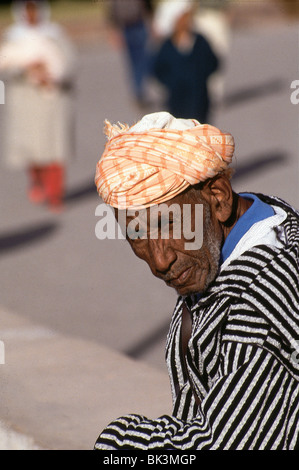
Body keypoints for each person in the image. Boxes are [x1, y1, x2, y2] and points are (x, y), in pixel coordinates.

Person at [93, 111, 299, 450]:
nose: (160, 259)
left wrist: (116, 441)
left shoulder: (260, 309)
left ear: (217, 198)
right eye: (136, 235)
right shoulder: (262, 226)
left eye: (170, 224)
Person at [0, 0, 76, 212]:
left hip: (52, 101)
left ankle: (55, 194)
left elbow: (69, 62)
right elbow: (5, 64)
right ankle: (37, 180)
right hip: (25, 102)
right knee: (33, 149)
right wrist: (25, 67)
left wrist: (52, 73)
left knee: (54, 149)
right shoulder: (13, 37)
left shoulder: (55, 34)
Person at [152, 0, 219, 123]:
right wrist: (173, 82)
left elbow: (214, 63)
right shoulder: (167, 46)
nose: (188, 20)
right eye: (184, 17)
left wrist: (200, 77)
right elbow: (157, 70)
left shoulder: (200, 41)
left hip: (200, 103)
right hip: (176, 104)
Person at [106, 0, 154, 106]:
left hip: (135, 25)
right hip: (130, 26)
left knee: (140, 60)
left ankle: (139, 89)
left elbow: (112, 13)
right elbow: (112, 13)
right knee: (137, 61)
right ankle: (138, 90)